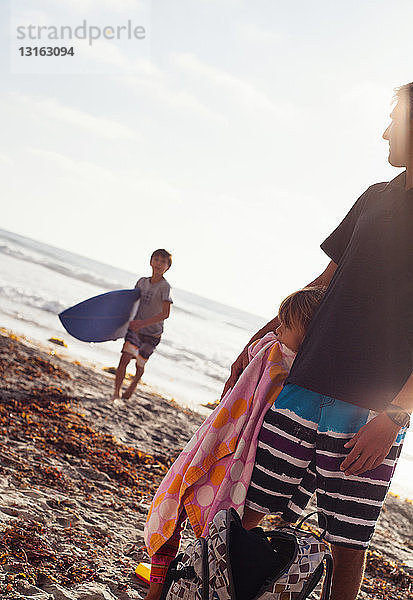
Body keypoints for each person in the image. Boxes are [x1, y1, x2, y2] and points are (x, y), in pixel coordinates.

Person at [223, 82, 413, 600]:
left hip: (371, 409)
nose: (384, 131)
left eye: (394, 119)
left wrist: (394, 418)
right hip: (306, 381)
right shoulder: (375, 197)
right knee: (251, 505)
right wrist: (265, 337)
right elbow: (326, 279)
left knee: (347, 540)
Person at [143, 287, 326, 600]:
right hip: (223, 439)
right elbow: (255, 353)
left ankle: (188, 584)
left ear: (310, 332)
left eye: (286, 325)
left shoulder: (308, 376)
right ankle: (159, 585)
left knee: (222, 527)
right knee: (175, 501)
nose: (277, 329)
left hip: (251, 456)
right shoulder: (271, 349)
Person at [112, 249, 173, 401]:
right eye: (156, 259)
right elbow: (131, 303)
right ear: (151, 261)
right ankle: (116, 393)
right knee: (125, 358)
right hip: (135, 331)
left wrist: (143, 323)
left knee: (139, 365)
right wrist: (118, 326)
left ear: (167, 267)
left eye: (163, 261)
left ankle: (133, 385)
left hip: (152, 334)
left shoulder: (165, 287)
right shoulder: (141, 282)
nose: (159, 263)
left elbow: (166, 313)